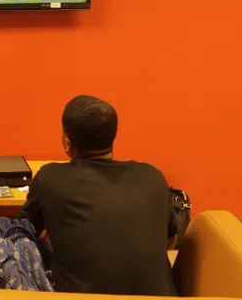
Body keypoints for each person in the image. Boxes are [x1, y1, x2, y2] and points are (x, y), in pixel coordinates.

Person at [20, 95, 178, 296]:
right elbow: (170, 239)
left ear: (68, 143)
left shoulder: (50, 178)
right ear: (113, 136)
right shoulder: (152, 176)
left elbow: (25, 233)